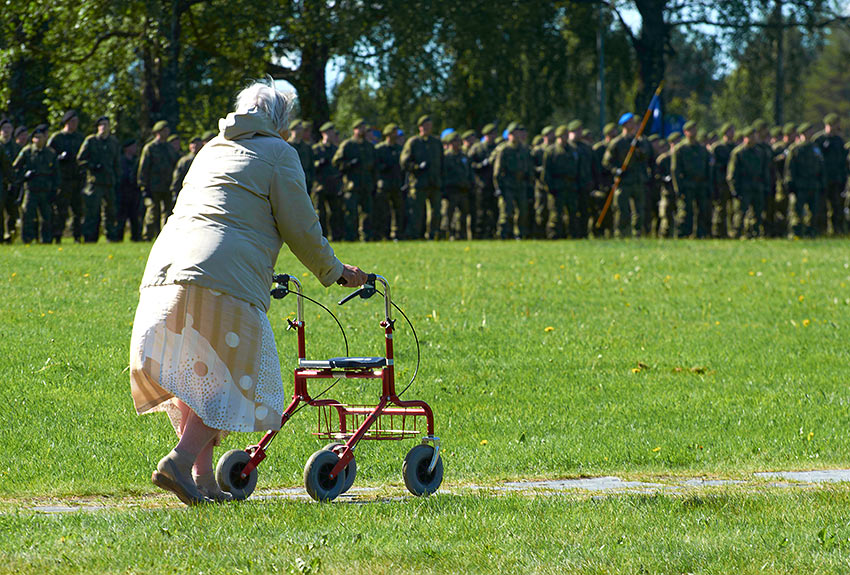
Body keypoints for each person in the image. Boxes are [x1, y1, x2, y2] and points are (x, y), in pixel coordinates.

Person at [129, 80, 367, 506]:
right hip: (223, 274)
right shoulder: (279, 153)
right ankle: (180, 461)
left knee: (195, 374)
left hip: (165, 266)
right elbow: (301, 226)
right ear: (281, 121)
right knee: (235, 377)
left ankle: (202, 481)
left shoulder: (210, 149)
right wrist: (335, 271)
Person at [603, 113, 652, 238]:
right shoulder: (617, 142)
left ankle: (637, 234)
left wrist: (639, 148)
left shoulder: (640, 141)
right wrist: (616, 171)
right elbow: (606, 162)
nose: (633, 125)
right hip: (624, 181)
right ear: (624, 125)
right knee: (622, 210)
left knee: (639, 211)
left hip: (638, 180)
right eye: (630, 122)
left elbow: (646, 157)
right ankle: (621, 234)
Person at [13, 125, 60, 244]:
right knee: (27, 215)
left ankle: (46, 240)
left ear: (45, 138)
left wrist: (55, 189)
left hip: (46, 190)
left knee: (46, 217)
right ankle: (27, 239)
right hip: (30, 189)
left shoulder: (51, 153)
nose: (38, 140)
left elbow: (56, 173)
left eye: (40, 137)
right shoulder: (27, 152)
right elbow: (15, 168)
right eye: (36, 138)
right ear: (32, 139)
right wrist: (24, 175)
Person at [77, 116, 120, 242]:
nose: (103, 127)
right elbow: (80, 159)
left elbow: (117, 162)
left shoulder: (113, 142)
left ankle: (111, 236)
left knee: (110, 211)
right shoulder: (90, 141)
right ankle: (90, 237)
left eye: (105, 124)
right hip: (94, 182)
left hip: (109, 182)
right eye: (100, 125)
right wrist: (92, 166)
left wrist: (117, 177)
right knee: (92, 212)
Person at [332, 118, 376, 241]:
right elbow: (336, 162)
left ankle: (366, 236)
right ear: (355, 130)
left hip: (366, 184)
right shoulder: (347, 145)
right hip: (352, 185)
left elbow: (374, 166)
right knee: (350, 212)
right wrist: (349, 164)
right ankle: (351, 236)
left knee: (367, 212)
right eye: (360, 128)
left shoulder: (369, 146)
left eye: (364, 128)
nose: (362, 130)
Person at [401, 115, 443, 239]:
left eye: (429, 126)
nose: (427, 128)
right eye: (425, 126)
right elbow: (404, 162)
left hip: (434, 183)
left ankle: (432, 234)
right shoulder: (413, 142)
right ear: (420, 127)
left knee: (435, 212)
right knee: (416, 212)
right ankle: (415, 235)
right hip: (419, 183)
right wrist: (417, 167)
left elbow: (442, 162)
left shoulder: (436, 143)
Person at [48, 110, 84, 243]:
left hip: (77, 178)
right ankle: (57, 236)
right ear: (66, 122)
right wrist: (59, 158)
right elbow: (48, 156)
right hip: (62, 179)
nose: (75, 124)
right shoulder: (57, 138)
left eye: (76, 122)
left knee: (78, 210)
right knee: (61, 210)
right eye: (72, 121)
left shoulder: (80, 138)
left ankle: (77, 236)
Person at [493, 122, 534, 239]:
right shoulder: (504, 150)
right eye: (514, 134)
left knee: (522, 211)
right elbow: (497, 171)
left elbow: (529, 169)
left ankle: (519, 234)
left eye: (518, 133)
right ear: (509, 135)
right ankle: (503, 234)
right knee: (506, 212)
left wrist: (530, 184)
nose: (517, 136)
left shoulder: (525, 150)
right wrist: (498, 187)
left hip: (521, 184)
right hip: (508, 185)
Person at [785, 122, 825, 238]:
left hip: (813, 184)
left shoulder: (815, 148)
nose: (810, 134)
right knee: (796, 211)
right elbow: (790, 168)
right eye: (808, 132)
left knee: (813, 211)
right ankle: (795, 233)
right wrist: (790, 184)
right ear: (802, 134)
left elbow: (821, 166)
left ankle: (810, 233)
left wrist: (822, 182)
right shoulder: (795, 149)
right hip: (800, 185)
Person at [672, 121, 712, 238]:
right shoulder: (680, 149)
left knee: (702, 210)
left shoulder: (702, 149)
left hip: (701, 184)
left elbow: (707, 168)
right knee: (685, 211)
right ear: (685, 132)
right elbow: (675, 170)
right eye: (690, 130)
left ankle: (700, 234)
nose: (693, 132)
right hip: (687, 184)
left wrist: (708, 184)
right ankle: (683, 234)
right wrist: (678, 187)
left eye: (695, 129)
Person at [139, 120, 177, 240]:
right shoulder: (150, 148)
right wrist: (143, 186)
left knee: (167, 213)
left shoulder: (169, 148)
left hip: (167, 186)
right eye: (164, 130)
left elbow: (175, 165)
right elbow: (143, 168)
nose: (167, 133)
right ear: (158, 132)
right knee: (152, 212)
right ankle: (147, 236)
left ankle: (164, 237)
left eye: (167, 130)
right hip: (153, 186)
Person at [813, 113, 847, 235]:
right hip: (823, 179)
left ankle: (836, 230)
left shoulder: (838, 140)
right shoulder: (818, 139)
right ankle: (821, 230)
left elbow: (842, 160)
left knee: (837, 206)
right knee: (821, 206)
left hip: (836, 179)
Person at [312, 122, 344, 240]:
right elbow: (309, 166)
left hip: (333, 185)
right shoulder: (315, 149)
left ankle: (335, 235)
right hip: (320, 185)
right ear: (323, 133)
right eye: (329, 132)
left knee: (335, 212)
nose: (332, 134)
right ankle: (321, 236)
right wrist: (318, 164)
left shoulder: (335, 149)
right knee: (320, 212)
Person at [440, 131, 473, 240]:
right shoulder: (446, 157)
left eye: (458, 141)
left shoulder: (464, 156)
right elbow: (442, 174)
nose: (457, 143)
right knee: (447, 215)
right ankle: (446, 235)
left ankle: (461, 235)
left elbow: (469, 172)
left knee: (463, 215)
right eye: (454, 141)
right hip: (450, 191)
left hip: (463, 190)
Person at [374, 123, 405, 240]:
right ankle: (383, 233)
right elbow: (375, 166)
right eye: (393, 132)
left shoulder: (399, 149)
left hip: (396, 184)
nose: (396, 134)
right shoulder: (380, 149)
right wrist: (384, 167)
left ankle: (396, 233)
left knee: (398, 210)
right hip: (384, 184)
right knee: (383, 211)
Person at [116, 139, 143, 241]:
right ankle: (118, 238)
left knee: (135, 216)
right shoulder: (121, 160)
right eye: (133, 147)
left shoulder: (136, 161)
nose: (135, 149)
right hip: (123, 191)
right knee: (121, 217)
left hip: (134, 192)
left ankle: (136, 237)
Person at [171, 136, 204, 203]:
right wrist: (174, 192)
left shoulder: (205, 159)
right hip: (186, 192)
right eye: (192, 143)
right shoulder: (184, 160)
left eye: (197, 143)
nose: (195, 145)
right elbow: (177, 177)